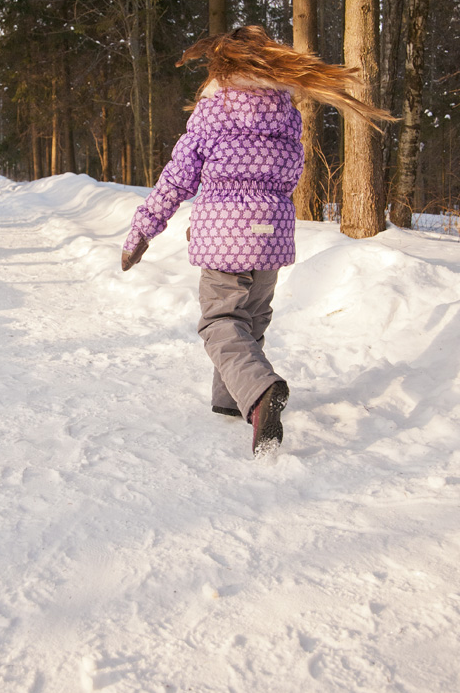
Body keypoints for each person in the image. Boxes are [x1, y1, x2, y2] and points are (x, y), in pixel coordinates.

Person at [121, 25, 395, 456]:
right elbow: (291, 174)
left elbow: (176, 178)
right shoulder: (286, 113)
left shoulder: (213, 109)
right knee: (248, 320)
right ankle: (231, 401)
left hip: (226, 236)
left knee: (219, 322)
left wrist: (143, 229)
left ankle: (261, 390)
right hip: (272, 235)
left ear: (223, 63)